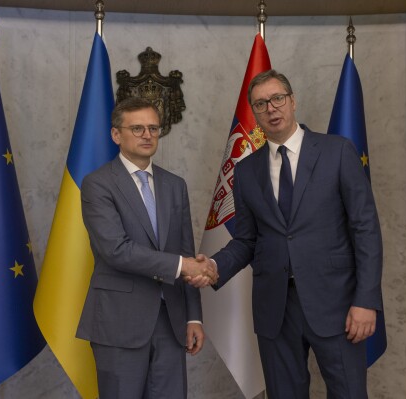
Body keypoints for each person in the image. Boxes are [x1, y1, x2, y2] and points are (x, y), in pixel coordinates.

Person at [206, 70, 383, 398]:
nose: (271, 108)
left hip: (339, 305)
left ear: (292, 101)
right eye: (261, 104)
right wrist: (214, 267)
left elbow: (366, 229)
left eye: (277, 99)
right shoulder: (245, 171)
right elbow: (247, 239)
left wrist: (366, 300)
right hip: (276, 310)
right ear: (254, 114)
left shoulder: (337, 152)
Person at [76, 97, 217, 399]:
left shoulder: (174, 184)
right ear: (117, 135)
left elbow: (185, 249)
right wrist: (183, 266)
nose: (147, 135)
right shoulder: (97, 184)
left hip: (171, 321)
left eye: (153, 128)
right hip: (119, 323)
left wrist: (194, 316)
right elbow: (115, 249)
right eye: (137, 128)